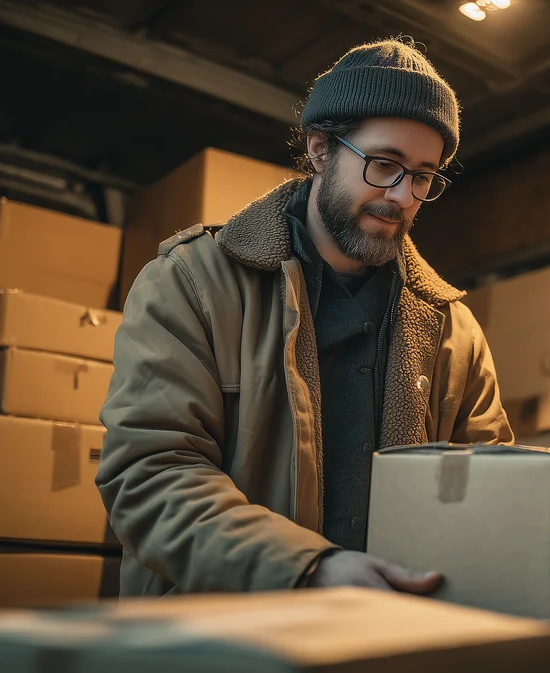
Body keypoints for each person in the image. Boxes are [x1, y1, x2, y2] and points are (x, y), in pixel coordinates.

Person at [97, 37, 513, 598]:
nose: (401, 197)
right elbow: (149, 476)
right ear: (320, 149)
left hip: (396, 636)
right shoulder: (193, 282)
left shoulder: (452, 330)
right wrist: (306, 569)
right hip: (221, 635)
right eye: (384, 164)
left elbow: (494, 488)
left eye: (422, 176)